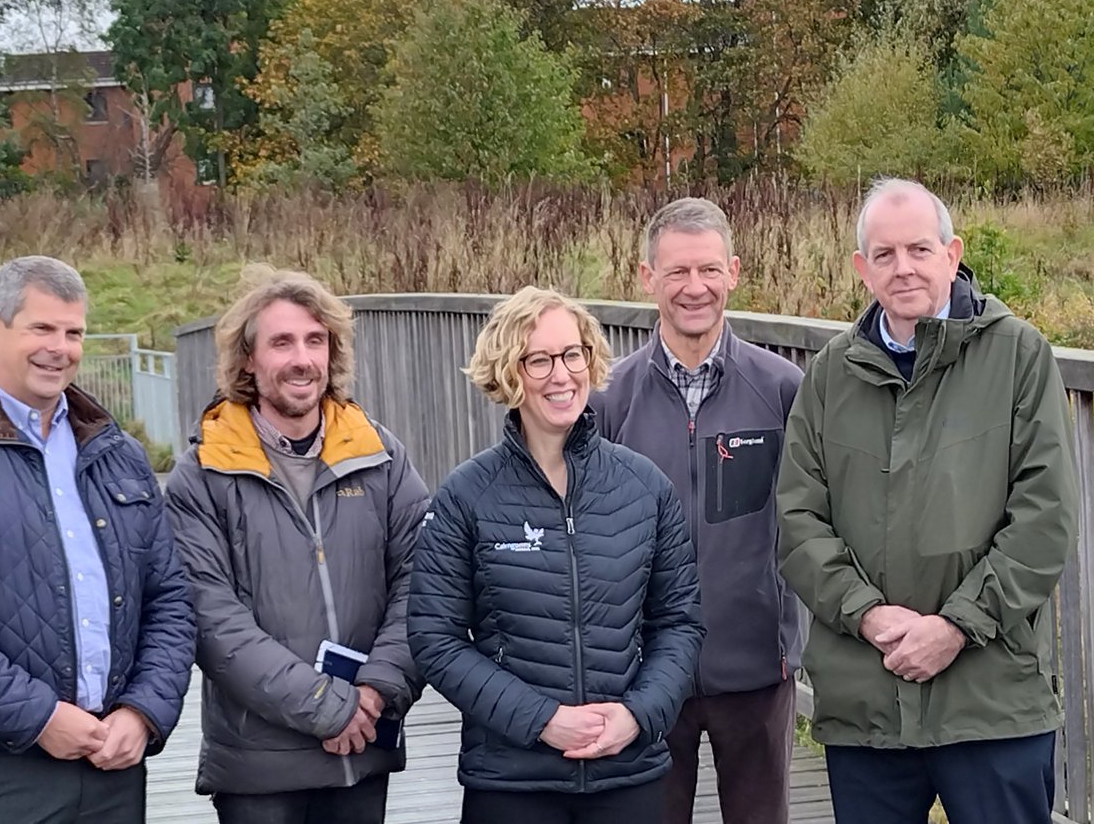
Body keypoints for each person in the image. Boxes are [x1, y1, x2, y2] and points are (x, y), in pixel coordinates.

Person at [777, 178, 1078, 824]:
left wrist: (956, 626)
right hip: (868, 706)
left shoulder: (1019, 356)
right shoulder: (830, 375)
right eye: (883, 254)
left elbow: (1044, 517)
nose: (903, 267)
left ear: (951, 252)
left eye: (918, 248)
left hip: (991, 699)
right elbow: (798, 520)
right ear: (862, 268)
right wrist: (868, 616)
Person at [0, 255, 195, 823]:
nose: (60, 347)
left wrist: (143, 711)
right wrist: (38, 717)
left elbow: (171, 601)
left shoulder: (119, 456)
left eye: (74, 332)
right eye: (42, 328)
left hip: (110, 764)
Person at [408, 286, 705, 824]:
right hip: (511, 780)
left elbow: (680, 623)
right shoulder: (466, 494)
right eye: (538, 360)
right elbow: (436, 638)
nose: (561, 375)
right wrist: (541, 719)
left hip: (629, 771)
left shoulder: (644, 487)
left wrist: (638, 716)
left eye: (572, 354)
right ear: (508, 371)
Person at [164, 265, 430, 824]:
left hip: (364, 748)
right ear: (247, 360)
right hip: (260, 767)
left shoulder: (380, 455)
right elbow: (212, 620)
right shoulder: (203, 473)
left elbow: (423, 581)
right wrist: (327, 707)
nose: (301, 359)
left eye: (315, 341)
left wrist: (378, 690)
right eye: (281, 342)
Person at [590, 197, 804, 824]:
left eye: (709, 270)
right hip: (644, 674)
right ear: (646, 278)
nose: (694, 288)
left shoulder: (782, 389)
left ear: (734, 271)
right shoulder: (607, 400)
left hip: (758, 665)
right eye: (677, 272)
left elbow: (815, 516)